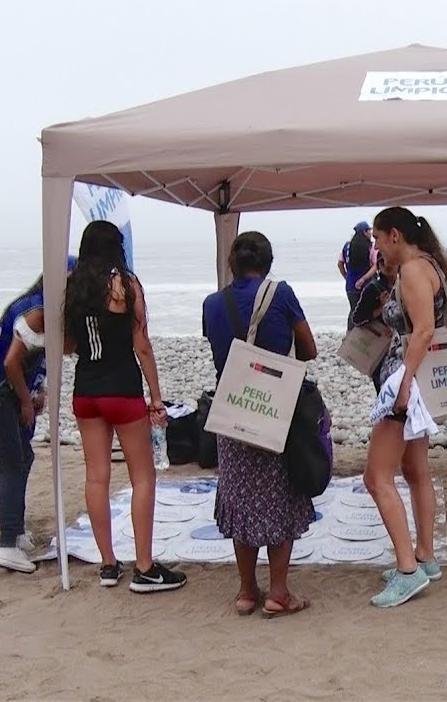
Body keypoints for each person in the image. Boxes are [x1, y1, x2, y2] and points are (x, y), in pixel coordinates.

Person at [202, 231, 320, 617]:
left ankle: (247, 591)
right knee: (280, 497)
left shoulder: (211, 304)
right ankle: (279, 591)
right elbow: (309, 349)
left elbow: (221, 349)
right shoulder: (281, 294)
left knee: (239, 498)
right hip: (275, 408)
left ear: (232, 264)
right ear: (268, 263)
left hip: (231, 409)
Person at [63, 220, 185, 593]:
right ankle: (144, 566)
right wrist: (156, 396)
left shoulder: (73, 287)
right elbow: (142, 345)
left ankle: (108, 563)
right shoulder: (127, 287)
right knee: (142, 477)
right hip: (122, 388)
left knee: (96, 476)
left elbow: (68, 346)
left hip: (86, 389)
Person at [0, 257, 77, 573]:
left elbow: (43, 355)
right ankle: (7, 544)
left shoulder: (42, 306)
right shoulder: (38, 312)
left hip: (2, 388)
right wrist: (24, 400)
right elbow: (11, 362)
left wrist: (38, 390)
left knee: (24, 457)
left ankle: (15, 532)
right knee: (12, 463)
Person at [365, 206, 447, 608]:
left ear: (394, 236)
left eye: (377, 238)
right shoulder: (425, 267)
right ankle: (424, 555)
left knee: (376, 476)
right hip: (415, 381)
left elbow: (423, 330)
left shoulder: (413, 271)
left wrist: (402, 386)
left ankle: (408, 570)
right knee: (415, 470)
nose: (375, 247)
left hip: (407, 383)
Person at [351, 253, 394, 391]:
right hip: (381, 348)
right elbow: (357, 319)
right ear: (380, 266)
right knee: (384, 392)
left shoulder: (404, 285)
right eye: (387, 263)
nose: (392, 267)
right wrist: (380, 309)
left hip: (400, 348)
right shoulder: (373, 289)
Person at [338, 221, 376, 330]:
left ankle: (350, 333)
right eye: (369, 231)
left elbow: (340, 264)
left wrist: (346, 276)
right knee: (367, 311)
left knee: (353, 310)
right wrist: (364, 278)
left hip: (351, 285)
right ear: (365, 232)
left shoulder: (347, 246)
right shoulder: (370, 247)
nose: (371, 233)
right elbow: (375, 266)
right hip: (367, 285)